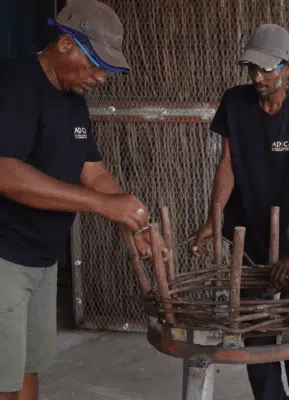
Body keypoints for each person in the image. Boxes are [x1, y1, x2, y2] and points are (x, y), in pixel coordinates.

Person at [0, 2, 160, 399]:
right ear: (67, 43)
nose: (101, 77)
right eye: (96, 64)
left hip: (41, 260)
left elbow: (95, 173)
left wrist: (134, 218)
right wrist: (102, 205)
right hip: (5, 259)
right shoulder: (15, 84)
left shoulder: (74, 102)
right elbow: (5, 172)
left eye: (107, 68)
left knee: (28, 369)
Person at [189, 24, 289, 400]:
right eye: (252, 68)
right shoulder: (235, 103)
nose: (258, 77)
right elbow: (227, 165)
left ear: (287, 66)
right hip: (248, 237)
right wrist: (214, 218)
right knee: (257, 333)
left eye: (267, 69)